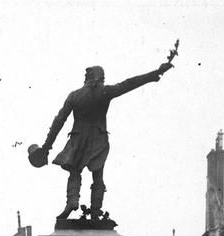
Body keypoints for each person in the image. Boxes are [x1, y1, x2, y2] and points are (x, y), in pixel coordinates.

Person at [38, 61, 174, 220]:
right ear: (100, 78)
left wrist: (46, 147)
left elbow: (59, 120)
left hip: (77, 139)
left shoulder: (74, 95)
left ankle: (72, 201)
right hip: (98, 138)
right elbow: (129, 83)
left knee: (74, 171)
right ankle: (95, 211)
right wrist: (154, 74)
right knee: (98, 174)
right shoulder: (104, 92)